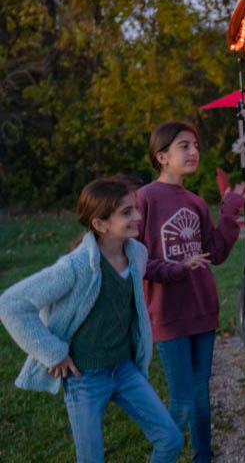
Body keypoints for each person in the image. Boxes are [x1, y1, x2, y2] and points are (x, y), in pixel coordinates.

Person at [0, 178, 183, 463]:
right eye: (126, 212)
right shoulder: (75, 267)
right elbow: (11, 303)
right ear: (100, 225)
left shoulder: (138, 255)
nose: (138, 216)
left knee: (171, 439)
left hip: (124, 369)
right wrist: (53, 353)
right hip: (84, 378)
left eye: (135, 208)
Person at [137, 120, 245, 463]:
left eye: (196, 145)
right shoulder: (144, 200)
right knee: (183, 402)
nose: (194, 152)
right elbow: (137, 262)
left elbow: (214, 253)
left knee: (202, 396)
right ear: (161, 156)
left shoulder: (197, 202)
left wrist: (230, 210)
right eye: (184, 146)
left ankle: (204, 456)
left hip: (202, 310)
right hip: (168, 314)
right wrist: (176, 269)